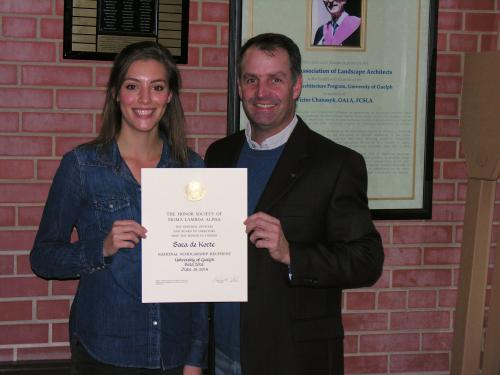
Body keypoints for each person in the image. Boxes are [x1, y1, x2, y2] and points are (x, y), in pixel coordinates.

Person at [204, 33, 384, 374]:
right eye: (251, 80)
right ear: (239, 87)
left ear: (296, 86)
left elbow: (367, 260)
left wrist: (292, 254)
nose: (262, 93)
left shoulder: (336, 163)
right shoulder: (219, 154)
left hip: (292, 358)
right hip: (221, 355)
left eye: (276, 79)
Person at [30, 41, 207, 375]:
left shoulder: (192, 170)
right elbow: (43, 257)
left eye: (157, 87)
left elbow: (199, 277)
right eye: (132, 86)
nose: (144, 99)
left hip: (172, 353)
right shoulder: (82, 166)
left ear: (169, 96)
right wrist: (101, 248)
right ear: (115, 93)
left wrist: (195, 358)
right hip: (104, 351)